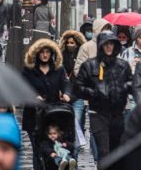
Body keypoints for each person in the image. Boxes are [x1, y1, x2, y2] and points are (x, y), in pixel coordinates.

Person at [75, 31, 132, 159]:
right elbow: (78, 88)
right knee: (104, 151)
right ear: (100, 45)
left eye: (111, 44)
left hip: (118, 114)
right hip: (98, 113)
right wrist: (94, 92)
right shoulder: (89, 65)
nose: (109, 47)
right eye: (106, 44)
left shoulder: (122, 65)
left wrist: (125, 88)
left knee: (116, 152)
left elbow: (132, 84)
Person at [21, 39, 71, 170]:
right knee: (37, 149)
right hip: (34, 115)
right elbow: (22, 87)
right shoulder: (29, 70)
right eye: (42, 52)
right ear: (37, 53)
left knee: (53, 146)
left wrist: (66, 93)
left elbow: (66, 83)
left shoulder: (58, 69)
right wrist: (33, 96)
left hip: (53, 114)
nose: (44, 55)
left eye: (47, 52)